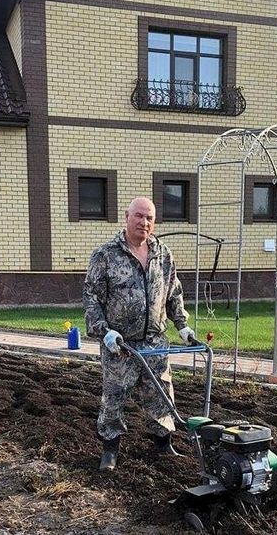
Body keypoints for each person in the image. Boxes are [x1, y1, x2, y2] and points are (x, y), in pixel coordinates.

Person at [83, 197, 195, 472]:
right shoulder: (105, 255)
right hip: (120, 345)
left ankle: (163, 444)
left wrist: (182, 325)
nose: (144, 222)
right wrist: (105, 332)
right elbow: (92, 298)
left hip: (155, 342)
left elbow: (173, 293)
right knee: (114, 397)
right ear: (127, 216)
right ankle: (110, 449)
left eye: (149, 218)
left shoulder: (163, 254)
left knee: (162, 395)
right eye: (139, 216)